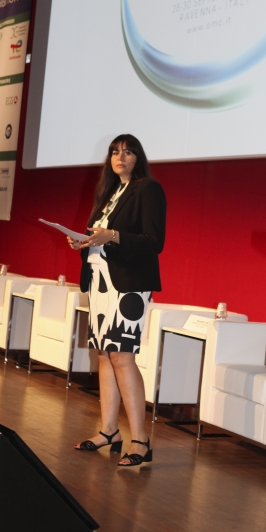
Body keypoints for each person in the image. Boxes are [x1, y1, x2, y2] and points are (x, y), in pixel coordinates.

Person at [67, 134, 166, 466]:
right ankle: (109, 431)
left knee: (122, 357)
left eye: (127, 152)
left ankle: (141, 441)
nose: (120, 157)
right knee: (104, 355)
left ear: (138, 157)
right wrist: (83, 242)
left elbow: (154, 241)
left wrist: (113, 235)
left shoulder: (148, 189)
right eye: (114, 152)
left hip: (128, 284)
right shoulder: (109, 193)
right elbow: (101, 236)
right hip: (100, 281)